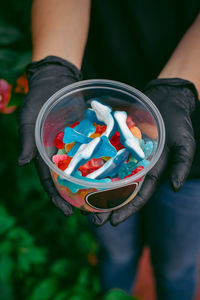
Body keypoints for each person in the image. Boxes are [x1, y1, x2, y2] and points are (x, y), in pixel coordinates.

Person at [18, 1, 200, 299]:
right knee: (114, 251)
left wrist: (183, 85)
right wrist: (54, 65)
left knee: (177, 265)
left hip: (189, 128)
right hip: (89, 89)